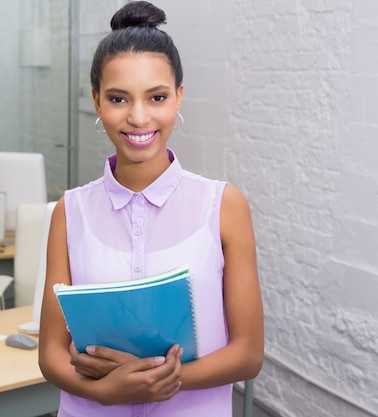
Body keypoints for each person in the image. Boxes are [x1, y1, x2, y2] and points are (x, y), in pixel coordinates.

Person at [38, 2, 264, 416]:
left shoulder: (223, 205)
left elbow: (248, 353)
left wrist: (152, 382)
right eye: (118, 98)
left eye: (157, 97)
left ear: (178, 97)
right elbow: (50, 354)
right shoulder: (70, 211)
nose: (138, 117)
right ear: (97, 102)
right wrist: (106, 392)